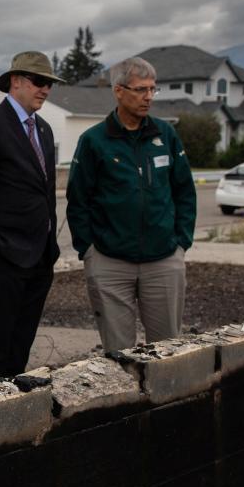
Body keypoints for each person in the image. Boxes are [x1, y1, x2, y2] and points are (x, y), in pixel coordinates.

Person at [65, 57, 196, 354]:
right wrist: (88, 250)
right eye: (140, 90)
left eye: (152, 89)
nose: (148, 97)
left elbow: (184, 191)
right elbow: (78, 200)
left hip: (164, 260)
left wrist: (181, 242)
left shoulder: (165, 135)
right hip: (110, 263)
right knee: (119, 355)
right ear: (118, 91)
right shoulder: (94, 141)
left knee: (167, 353)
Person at [0, 51, 62, 386]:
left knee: (20, 345)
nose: (45, 89)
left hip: (39, 258)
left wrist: (50, 249)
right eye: (39, 81)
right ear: (16, 81)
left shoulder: (45, 130)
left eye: (49, 83)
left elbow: (46, 191)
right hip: (3, 258)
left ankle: (10, 412)